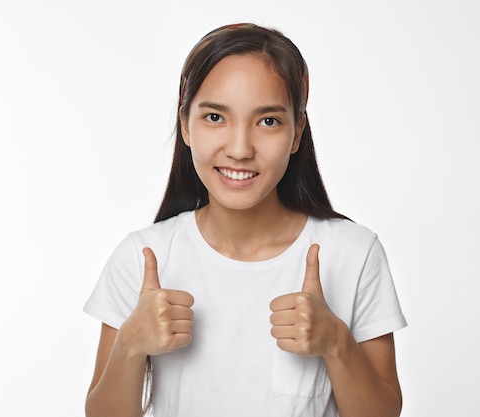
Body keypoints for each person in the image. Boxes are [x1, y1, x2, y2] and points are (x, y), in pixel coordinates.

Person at [84, 23, 407, 417]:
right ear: (185, 124)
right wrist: (130, 348)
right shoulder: (142, 256)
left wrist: (337, 344)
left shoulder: (354, 253)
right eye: (215, 117)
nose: (239, 149)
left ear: (296, 132)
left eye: (268, 121)